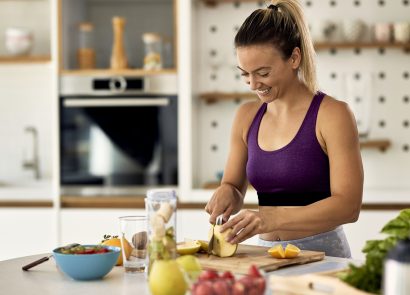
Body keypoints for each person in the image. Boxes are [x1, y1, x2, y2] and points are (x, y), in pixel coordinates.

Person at [205, 0, 363, 258]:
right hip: (265, 256)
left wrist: (272, 218)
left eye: (263, 72)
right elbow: (234, 187)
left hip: (325, 257)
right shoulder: (246, 116)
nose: (253, 84)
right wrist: (227, 192)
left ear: (294, 58)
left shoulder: (333, 115)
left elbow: (349, 207)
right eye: (245, 74)